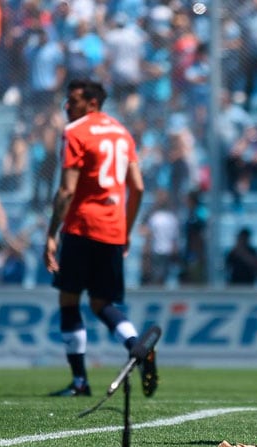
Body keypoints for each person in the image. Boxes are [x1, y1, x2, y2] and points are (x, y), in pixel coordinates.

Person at [43, 79, 156, 398]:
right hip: (112, 230)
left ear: (92, 103)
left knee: (69, 299)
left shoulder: (75, 132)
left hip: (80, 227)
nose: (68, 106)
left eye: (74, 101)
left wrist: (51, 235)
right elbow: (138, 186)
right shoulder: (122, 132)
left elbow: (66, 190)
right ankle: (137, 346)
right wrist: (125, 230)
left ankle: (80, 382)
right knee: (101, 303)